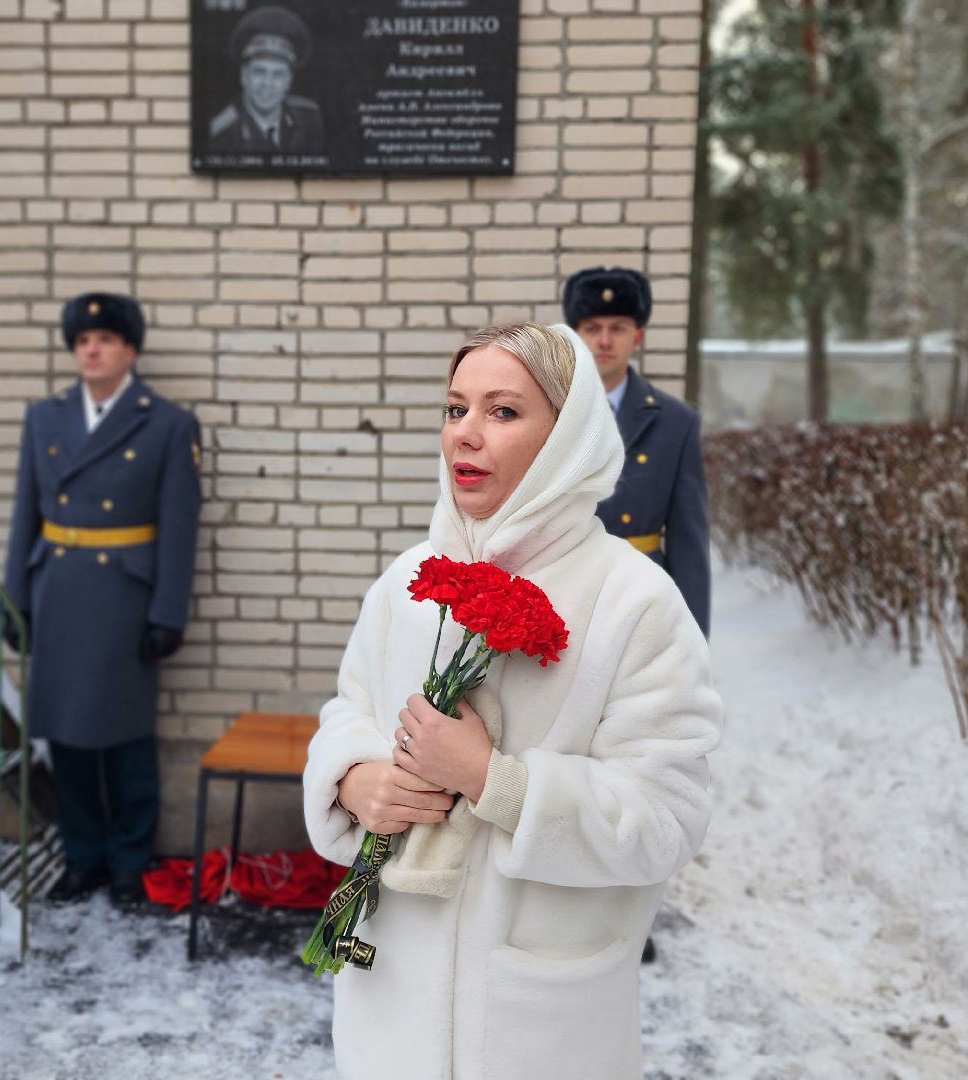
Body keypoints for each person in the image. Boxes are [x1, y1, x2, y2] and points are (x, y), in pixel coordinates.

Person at [302, 323, 723, 1079]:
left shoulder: (633, 603)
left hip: (541, 1029)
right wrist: (354, 781)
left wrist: (498, 781)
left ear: (569, 436)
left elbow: (667, 816)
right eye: (454, 408)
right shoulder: (408, 581)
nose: (466, 434)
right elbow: (349, 712)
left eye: (502, 412)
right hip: (388, 1014)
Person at [4, 292, 201, 907]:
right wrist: (17, 602)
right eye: (83, 341)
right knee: (64, 737)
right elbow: (24, 517)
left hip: (124, 598)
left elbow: (180, 524)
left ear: (130, 351)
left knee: (124, 737)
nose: (91, 349)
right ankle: (82, 856)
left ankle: (127, 862)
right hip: (57, 590)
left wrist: (168, 612)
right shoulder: (45, 417)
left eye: (106, 340)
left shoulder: (166, 423)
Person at [564, 266, 711, 636]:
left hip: (642, 592)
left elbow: (688, 542)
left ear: (638, 336)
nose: (604, 341)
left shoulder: (676, 421)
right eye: (592, 328)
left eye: (618, 328)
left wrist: (694, 641)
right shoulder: (544, 411)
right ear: (574, 337)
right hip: (560, 588)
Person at [206, 5, 325, 154]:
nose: (267, 84)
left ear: (289, 81)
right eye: (259, 72)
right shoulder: (222, 132)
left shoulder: (309, 118)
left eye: (278, 74)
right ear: (243, 76)